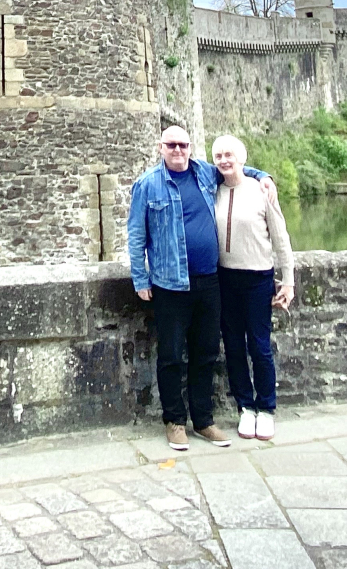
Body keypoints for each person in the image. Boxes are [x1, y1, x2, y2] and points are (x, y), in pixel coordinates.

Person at [127, 125, 277, 452]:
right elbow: (136, 236)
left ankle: (204, 420)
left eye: (183, 144)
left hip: (210, 282)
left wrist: (263, 174)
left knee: (206, 352)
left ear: (190, 147)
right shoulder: (147, 184)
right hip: (169, 284)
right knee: (170, 355)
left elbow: (234, 167)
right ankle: (174, 422)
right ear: (161, 147)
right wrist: (140, 279)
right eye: (171, 145)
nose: (178, 150)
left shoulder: (205, 173)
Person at [211, 134, 294, 442]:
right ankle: (245, 407)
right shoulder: (214, 190)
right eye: (218, 155)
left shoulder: (261, 190)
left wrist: (289, 280)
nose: (223, 160)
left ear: (242, 158)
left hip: (258, 278)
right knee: (232, 346)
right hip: (224, 278)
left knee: (259, 346)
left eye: (229, 154)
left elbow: (281, 238)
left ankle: (267, 410)